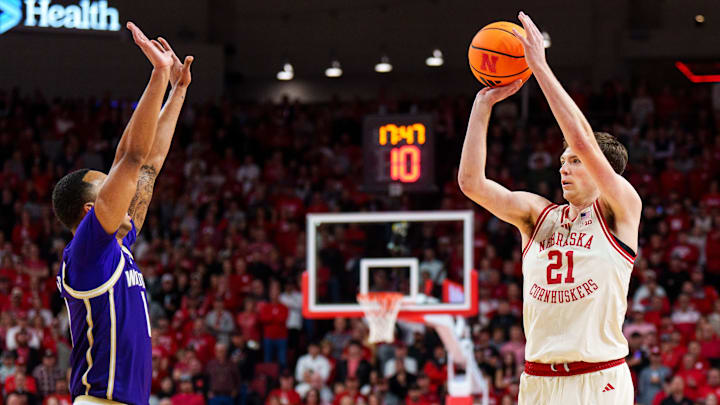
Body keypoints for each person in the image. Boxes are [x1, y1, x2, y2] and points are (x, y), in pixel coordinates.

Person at [458, 11, 640, 405]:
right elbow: (471, 184)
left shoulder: (620, 209)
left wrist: (538, 67)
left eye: (574, 161)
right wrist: (482, 104)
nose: (564, 166)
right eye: (562, 161)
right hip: (538, 379)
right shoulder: (538, 215)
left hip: (599, 378)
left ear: (600, 169)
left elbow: (582, 138)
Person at [50, 22, 193, 405]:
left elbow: (147, 166)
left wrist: (178, 91)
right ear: (90, 211)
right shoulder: (87, 252)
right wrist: (159, 76)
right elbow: (130, 159)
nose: (124, 190)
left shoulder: (116, 245)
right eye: (110, 186)